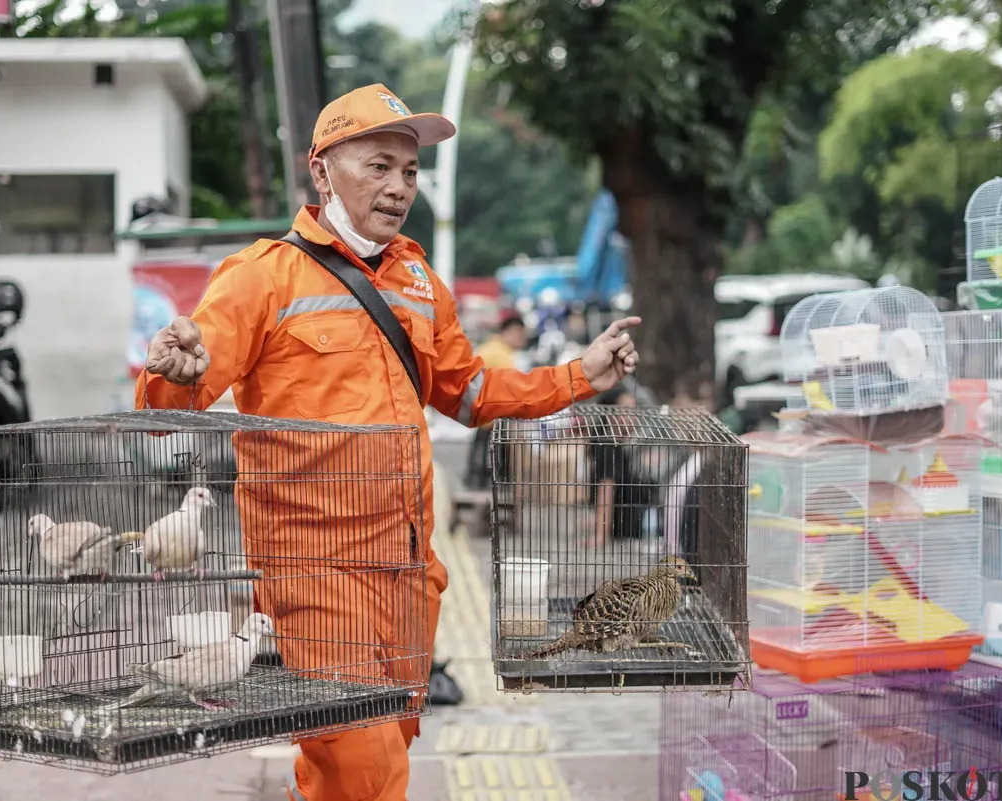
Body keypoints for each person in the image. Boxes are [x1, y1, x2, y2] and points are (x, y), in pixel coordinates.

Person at [137, 83, 641, 801]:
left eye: (408, 171)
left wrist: (577, 376)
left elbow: (469, 392)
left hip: (407, 568)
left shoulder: (416, 280)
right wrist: (175, 374)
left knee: (362, 759)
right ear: (322, 172)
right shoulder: (263, 277)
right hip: (314, 571)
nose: (399, 186)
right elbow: (175, 394)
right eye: (377, 165)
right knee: (366, 766)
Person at [583, 385, 657, 548]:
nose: (634, 416)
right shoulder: (607, 447)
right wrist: (600, 536)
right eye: (627, 410)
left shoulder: (618, 446)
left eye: (634, 410)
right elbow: (606, 490)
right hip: (641, 526)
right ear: (611, 416)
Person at [466, 315, 528, 489]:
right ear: (509, 332)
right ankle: (496, 483)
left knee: (483, 447)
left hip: (480, 410)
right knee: (498, 448)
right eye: (519, 334)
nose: (521, 339)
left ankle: (476, 479)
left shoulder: (492, 347)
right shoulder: (500, 355)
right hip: (491, 414)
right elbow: (513, 387)